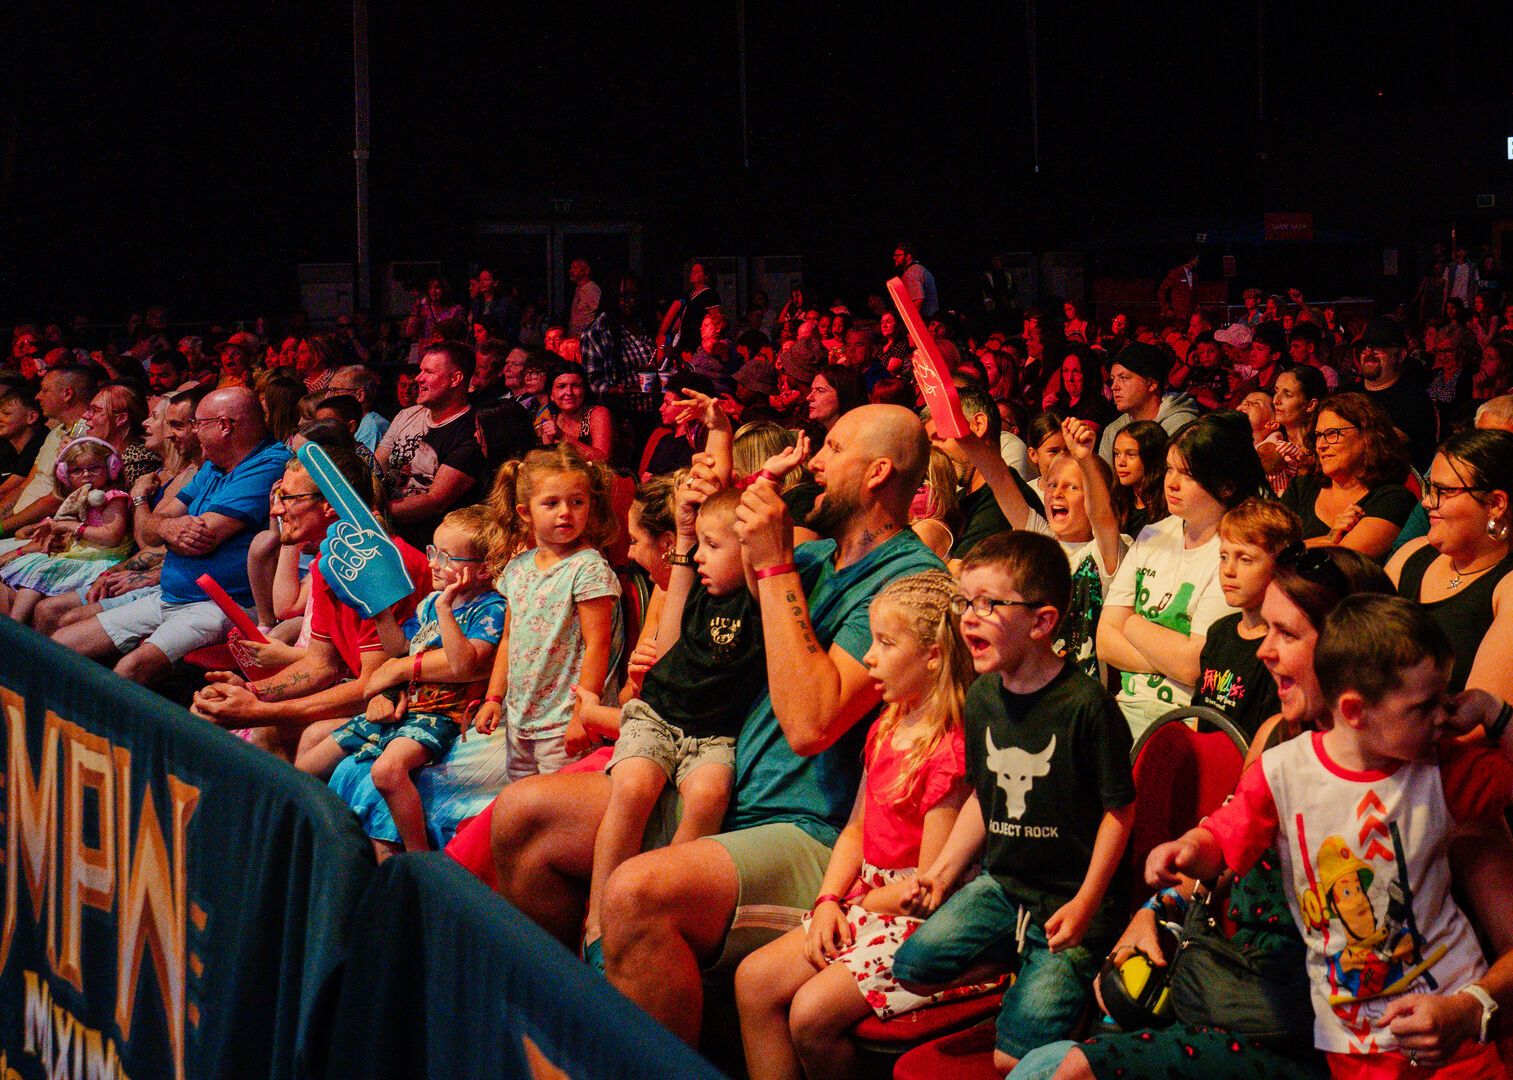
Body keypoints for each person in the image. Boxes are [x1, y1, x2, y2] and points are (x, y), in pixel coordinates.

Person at [486, 404, 940, 1043]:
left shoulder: (908, 586)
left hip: (809, 829)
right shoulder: (815, 562)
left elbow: (812, 725)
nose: (813, 461)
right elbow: (676, 657)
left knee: (637, 893)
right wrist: (685, 540)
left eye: (831, 449)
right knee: (522, 816)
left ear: (876, 473)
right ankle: (566, 1033)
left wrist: (776, 564)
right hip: (726, 786)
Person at [1006, 547, 1396, 1080]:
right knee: (1033, 1064)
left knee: (1056, 1070)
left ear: (1349, 646)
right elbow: (1225, 853)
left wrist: (1473, 1007)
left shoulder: (1415, 778)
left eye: (1288, 634)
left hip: (1291, 1035)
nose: (1264, 651)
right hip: (1215, 982)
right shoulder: (1278, 738)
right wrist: (1154, 912)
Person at [1147, 595, 1512, 1079]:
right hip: (1354, 1036)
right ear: (1356, 711)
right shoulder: (1283, 772)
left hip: (1454, 1017)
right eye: (1425, 707)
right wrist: (1190, 848)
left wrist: (1494, 711)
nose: (1445, 716)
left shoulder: (1443, 767)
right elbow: (1227, 835)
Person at [890, 532, 1136, 1075]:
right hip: (1004, 887)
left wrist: (1088, 902)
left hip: (1069, 900)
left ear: (1042, 622)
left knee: (1009, 1058)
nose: (969, 619)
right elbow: (985, 793)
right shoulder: (982, 698)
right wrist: (942, 872)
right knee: (909, 968)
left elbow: (1120, 811)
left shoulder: (1087, 707)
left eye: (988, 604)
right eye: (965, 602)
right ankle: (1021, 958)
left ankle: (1064, 975)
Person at [735, 571, 984, 1079]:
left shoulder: (948, 751)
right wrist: (828, 901)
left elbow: (931, 887)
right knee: (753, 981)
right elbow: (854, 830)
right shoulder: (888, 723)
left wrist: (860, 904)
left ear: (933, 655)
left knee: (811, 1014)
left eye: (886, 643)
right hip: (865, 899)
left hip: (917, 921)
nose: (868, 656)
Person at [576, 481, 771, 971]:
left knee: (709, 794)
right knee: (634, 786)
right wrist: (686, 538)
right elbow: (672, 625)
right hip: (659, 716)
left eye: (713, 546)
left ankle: (660, 894)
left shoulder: (758, 594)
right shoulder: (696, 585)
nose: (699, 557)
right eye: (697, 546)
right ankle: (597, 917)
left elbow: (753, 531)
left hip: (714, 733)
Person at [190, 448, 432, 758]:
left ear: (329, 505)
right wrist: (248, 691)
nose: (276, 510)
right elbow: (321, 664)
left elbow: (376, 685)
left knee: (273, 729)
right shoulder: (325, 563)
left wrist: (261, 710)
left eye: (288, 498)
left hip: (405, 703)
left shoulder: (381, 564)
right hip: (370, 695)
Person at [297, 505, 505, 851]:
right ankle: (327, 842)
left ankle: (418, 857)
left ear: (483, 570)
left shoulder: (491, 609)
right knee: (306, 761)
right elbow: (401, 648)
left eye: (446, 557)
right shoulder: (430, 603)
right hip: (407, 710)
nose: (433, 563)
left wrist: (445, 610)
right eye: (432, 552)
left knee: (387, 771)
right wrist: (378, 609)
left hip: (441, 716)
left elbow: (463, 664)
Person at [52, 387, 290, 685]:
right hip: (169, 595)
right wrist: (165, 526)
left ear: (225, 425)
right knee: (60, 644)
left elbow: (202, 538)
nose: (192, 432)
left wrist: (160, 523)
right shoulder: (215, 465)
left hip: (221, 604)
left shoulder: (268, 464)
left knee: (131, 668)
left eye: (198, 424)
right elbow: (151, 535)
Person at [1098, 413, 1268, 736]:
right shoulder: (1152, 534)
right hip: (1124, 707)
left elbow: (1194, 665)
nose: (1171, 483)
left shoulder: (1235, 555)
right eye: (1170, 469)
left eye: (1187, 474)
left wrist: (1132, 623)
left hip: (1185, 719)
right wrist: (1169, 657)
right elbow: (1105, 641)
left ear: (1226, 485)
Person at [471, 445, 621, 780]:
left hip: (564, 721)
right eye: (552, 503)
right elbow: (509, 638)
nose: (565, 512)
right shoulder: (518, 568)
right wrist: (494, 696)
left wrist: (585, 714)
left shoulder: (588, 567)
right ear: (526, 512)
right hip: (521, 720)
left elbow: (598, 644)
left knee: (562, 814)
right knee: (524, 805)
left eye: (577, 502)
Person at [954, 416, 1127, 681]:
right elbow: (999, 479)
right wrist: (968, 440)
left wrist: (1085, 460)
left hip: (1076, 687)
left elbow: (1101, 518)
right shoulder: (1042, 542)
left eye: (1073, 487)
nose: (1057, 493)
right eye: (1053, 484)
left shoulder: (1105, 551)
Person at [1387, 429, 1513, 700]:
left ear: (1496, 503)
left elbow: (1480, 723)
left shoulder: (1508, 587)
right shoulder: (1411, 556)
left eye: (1444, 491)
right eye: (1430, 488)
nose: (1427, 501)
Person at [1190, 499, 1300, 738]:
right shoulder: (1219, 632)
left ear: (1281, 565)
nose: (1229, 570)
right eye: (1223, 557)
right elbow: (1201, 714)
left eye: (1245, 559)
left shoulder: (1281, 649)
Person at [0, 437, 132, 623]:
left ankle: (15, 629)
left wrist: (72, 527)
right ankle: (12, 627)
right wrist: (50, 531)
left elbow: (111, 537)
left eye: (94, 468)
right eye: (77, 470)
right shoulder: (77, 498)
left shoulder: (114, 497)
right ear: (64, 475)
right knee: (31, 572)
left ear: (111, 467)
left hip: (101, 558)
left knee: (38, 574)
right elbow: (65, 529)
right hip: (77, 554)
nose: (86, 474)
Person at [376, 341, 485, 549]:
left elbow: (434, 501)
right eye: (420, 370)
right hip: (385, 536)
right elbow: (377, 465)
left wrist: (371, 513)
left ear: (455, 379)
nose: (419, 378)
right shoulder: (407, 415)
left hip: (426, 548)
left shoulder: (472, 431)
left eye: (429, 372)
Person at [1282, 393, 1416, 561]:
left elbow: (1341, 562)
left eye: (1332, 434)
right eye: (1318, 436)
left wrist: (1286, 551)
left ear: (1367, 436)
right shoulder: (1302, 486)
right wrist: (1329, 539)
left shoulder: (1393, 498)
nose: (1320, 446)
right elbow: (1264, 545)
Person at [0, 365, 96, 540]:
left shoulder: (87, 434)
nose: (38, 396)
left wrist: (2, 527)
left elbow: (55, 500)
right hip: (17, 527)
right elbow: (25, 486)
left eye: (45, 390)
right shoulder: (55, 432)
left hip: (41, 533)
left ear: (67, 394)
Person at [1354, 317, 1439, 471]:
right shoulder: (1347, 393)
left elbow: (1383, 444)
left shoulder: (1414, 399)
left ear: (1400, 355)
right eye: (1365, 347)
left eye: (1379, 348)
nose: (1368, 353)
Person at [1097, 344, 1200, 462]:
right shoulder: (1113, 430)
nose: (1114, 386)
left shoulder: (1181, 427)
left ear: (1152, 384)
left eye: (1124, 378)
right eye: (1112, 379)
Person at [1260, 364, 1327, 496]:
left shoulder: (1323, 446)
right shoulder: (1271, 441)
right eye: (1276, 391)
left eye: (1287, 394)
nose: (1275, 400)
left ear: (1311, 404)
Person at [537, 367, 613, 463]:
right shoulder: (552, 416)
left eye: (576, 386)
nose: (569, 392)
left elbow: (603, 459)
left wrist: (563, 436)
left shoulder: (598, 413)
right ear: (551, 394)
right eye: (562, 386)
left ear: (584, 391)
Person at [1109, 419, 1168, 537]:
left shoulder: (1168, 507)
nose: (1120, 462)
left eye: (1131, 454)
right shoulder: (1118, 501)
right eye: (1117, 454)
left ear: (1151, 458)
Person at [806, 365, 866, 436]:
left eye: (820, 391)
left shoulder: (857, 440)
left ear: (843, 395)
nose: (809, 397)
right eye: (811, 390)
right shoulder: (811, 437)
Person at [893, 242, 939, 319]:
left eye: (897, 255)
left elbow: (918, 301)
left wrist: (909, 322)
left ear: (908, 256)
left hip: (924, 322)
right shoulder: (920, 269)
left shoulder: (911, 273)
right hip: (931, 319)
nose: (894, 258)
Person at [1157, 252, 1199, 324]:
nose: (1198, 261)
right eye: (1197, 259)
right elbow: (1161, 290)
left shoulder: (1194, 275)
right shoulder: (1176, 273)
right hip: (1178, 315)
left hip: (1190, 315)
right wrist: (1165, 309)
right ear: (1192, 260)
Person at [568, 258, 602, 335]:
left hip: (587, 338)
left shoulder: (590, 289)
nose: (571, 271)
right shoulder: (578, 289)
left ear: (586, 270)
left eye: (575, 268)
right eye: (571, 268)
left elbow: (599, 314)